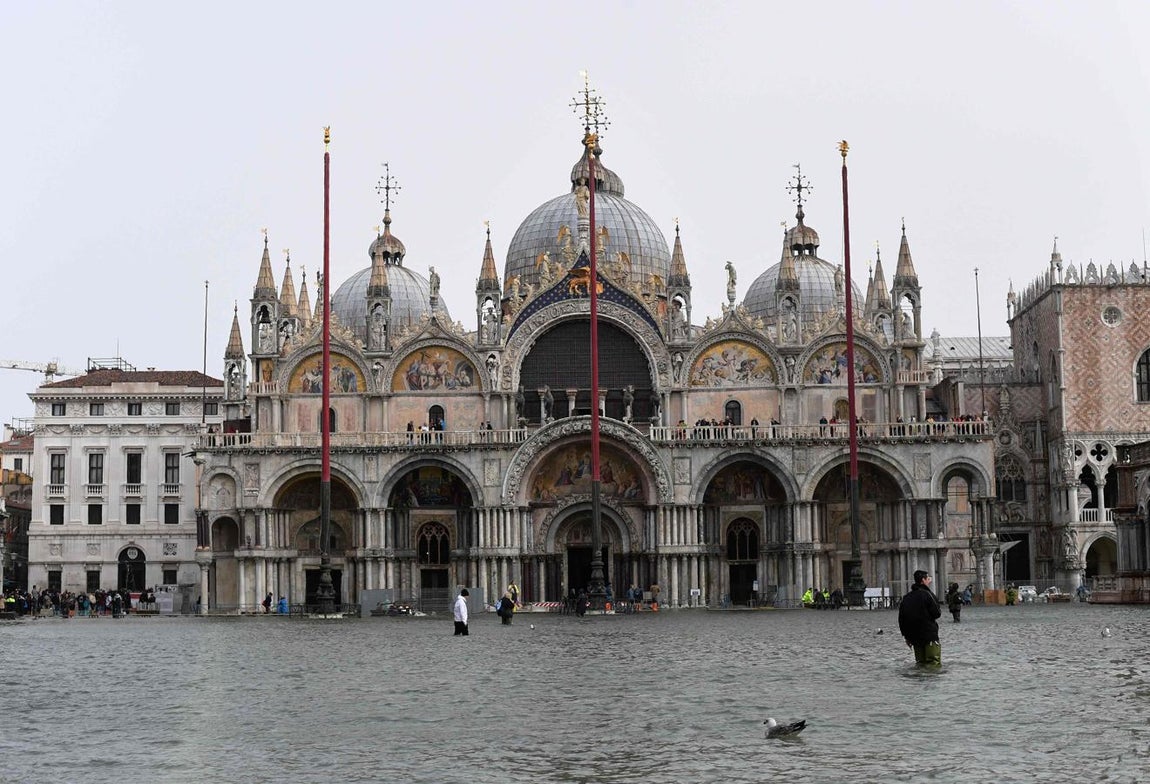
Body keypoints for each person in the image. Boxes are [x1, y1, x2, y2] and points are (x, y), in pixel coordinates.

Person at [898, 570, 942, 666]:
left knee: (920, 663)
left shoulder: (906, 598)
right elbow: (937, 613)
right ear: (923, 580)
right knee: (933, 663)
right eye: (928, 579)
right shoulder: (928, 594)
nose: (929, 581)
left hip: (914, 637)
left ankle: (919, 680)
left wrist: (906, 636)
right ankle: (932, 681)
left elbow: (901, 619)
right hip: (929, 635)